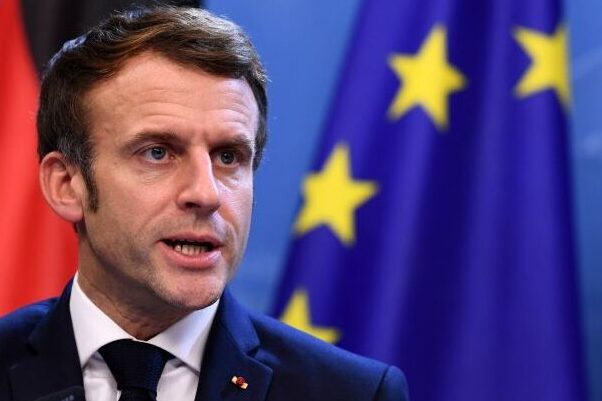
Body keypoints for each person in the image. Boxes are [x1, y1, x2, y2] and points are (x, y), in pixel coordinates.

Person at [0, 6, 409, 401]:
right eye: (158, 153)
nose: (207, 194)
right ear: (67, 186)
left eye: (228, 157)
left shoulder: (352, 393)